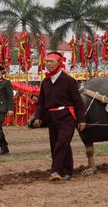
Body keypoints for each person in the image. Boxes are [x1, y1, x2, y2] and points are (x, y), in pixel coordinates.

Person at [33, 52, 86, 181]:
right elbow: (41, 102)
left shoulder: (68, 80)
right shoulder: (45, 82)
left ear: (59, 63)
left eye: (51, 61)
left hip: (67, 116)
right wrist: (38, 117)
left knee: (62, 142)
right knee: (57, 144)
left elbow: (77, 101)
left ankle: (55, 171)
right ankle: (67, 172)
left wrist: (81, 119)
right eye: (46, 61)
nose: (48, 64)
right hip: (52, 116)